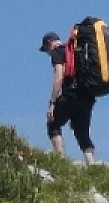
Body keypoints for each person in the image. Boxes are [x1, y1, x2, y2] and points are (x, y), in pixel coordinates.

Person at [39, 31, 97, 165]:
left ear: (49, 44)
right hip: (87, 96)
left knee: (53, 122)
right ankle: (92, 164)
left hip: (71, 94)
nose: (47, 53)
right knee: (82, 132)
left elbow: (59, 77)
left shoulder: (57, 52)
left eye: (46, 50)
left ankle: (60, 160)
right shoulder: (77, 51)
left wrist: (52, 103)